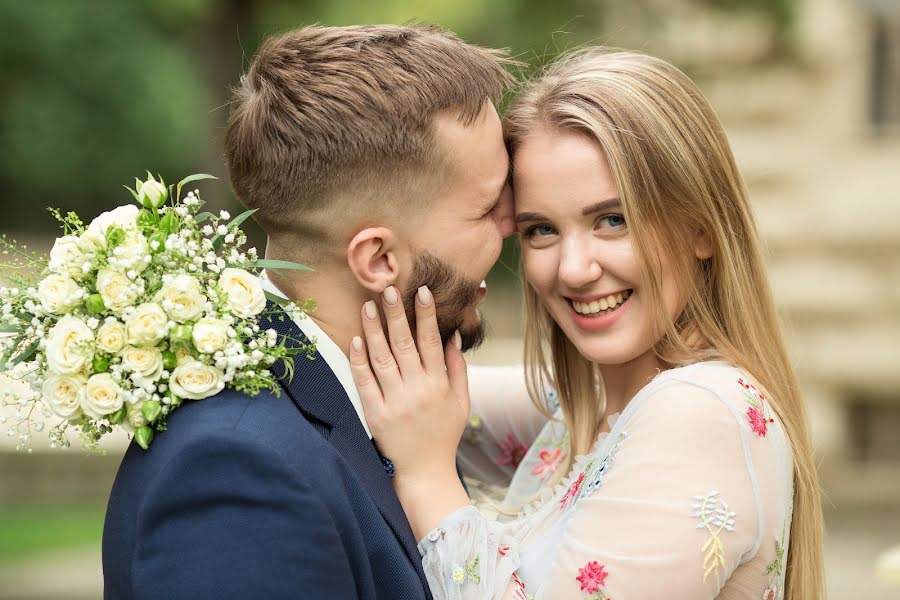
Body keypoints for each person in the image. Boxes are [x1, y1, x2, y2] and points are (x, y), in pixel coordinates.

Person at [349, 49, 825, 599]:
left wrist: (428, 477)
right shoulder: (586, 410)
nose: (574, 270)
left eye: (612, 220)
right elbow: (400, 400)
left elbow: (422, 439)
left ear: (701, 228)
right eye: (540, 231)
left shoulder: (697, 410)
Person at [102, 24, 515, 599]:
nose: (512, 224)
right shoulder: (237, 468)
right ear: (378, 259)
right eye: (488, 208)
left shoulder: (377, 400)